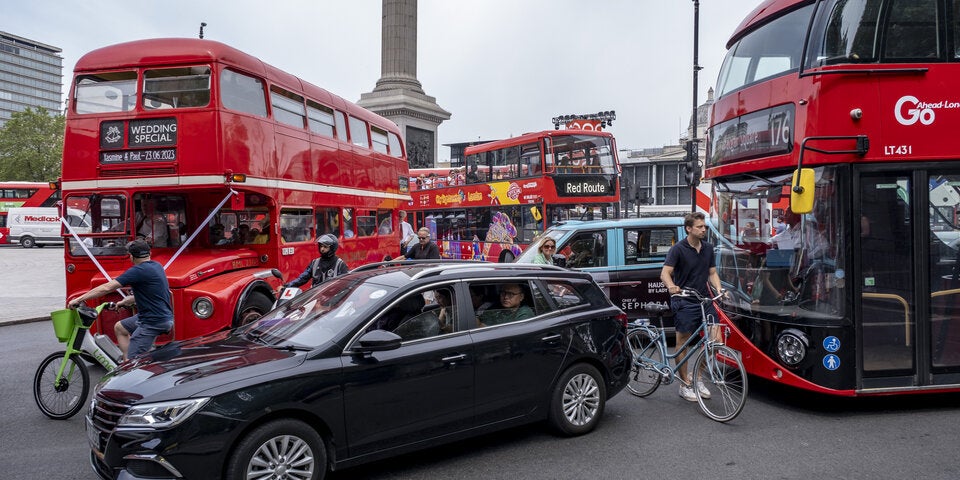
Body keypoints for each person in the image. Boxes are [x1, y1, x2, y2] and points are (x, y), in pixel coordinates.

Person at [67, 240, 173, 360]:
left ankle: (130, 367)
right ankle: (125, 361)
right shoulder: (157, 266)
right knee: (120, 327)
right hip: (159, 316)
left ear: (131, 257)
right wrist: (127, 301)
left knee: (135, 364)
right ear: (150, 253)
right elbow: (154, 294)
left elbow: (107, 288)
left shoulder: (137, 271)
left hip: (152, 322)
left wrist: (79, 299)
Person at [660, 212, 723, 402]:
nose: (704, 229)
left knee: (717, 341)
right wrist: (671, 287)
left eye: (704, 226)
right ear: (689, 228)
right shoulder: (678, 249)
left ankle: (698, 377)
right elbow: (665, 273)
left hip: (704, 300)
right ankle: (684, 384)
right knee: (683, 343)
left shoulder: (708, 249)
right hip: (685, 300)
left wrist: (719, 289)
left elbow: (712, 272)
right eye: (700, 227)